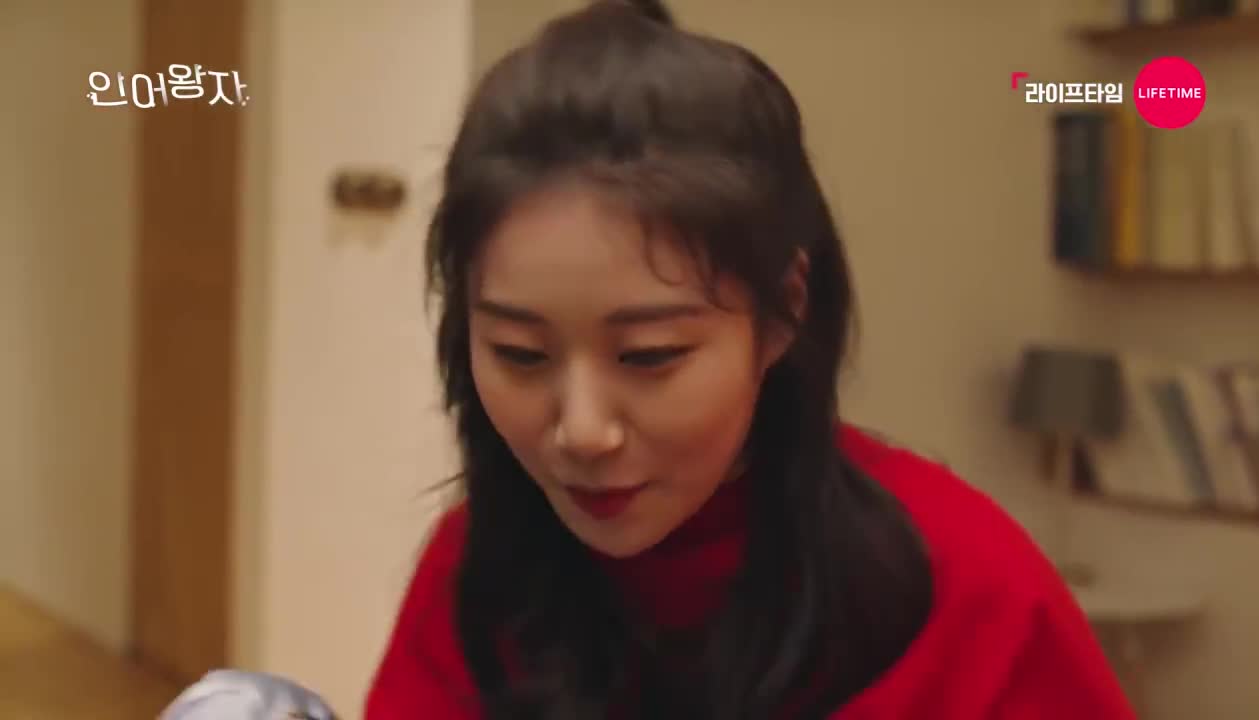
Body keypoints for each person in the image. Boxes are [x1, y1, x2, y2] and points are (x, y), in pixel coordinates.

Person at [365, 1, 1137, 718]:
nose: (583, 431)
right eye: (521, 355)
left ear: (784, 309)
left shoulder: (968, 583)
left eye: (649, 356)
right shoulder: (473, 574)